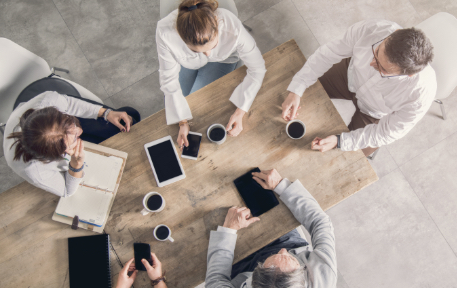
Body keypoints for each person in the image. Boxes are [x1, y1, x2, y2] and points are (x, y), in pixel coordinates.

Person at [281, 20, 436, 157]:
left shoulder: (420, 93)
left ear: (410, 74)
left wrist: (341, 141)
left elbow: (388, 132)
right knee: (289, 88)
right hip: (348, 75)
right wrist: (297, 88)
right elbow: (328, 54)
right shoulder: (372, 29)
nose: (371, 64)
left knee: (344, 160)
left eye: (384, 70)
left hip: (373, 113)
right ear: (393, 34)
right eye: (376, 53)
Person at [156, 0, 266, 150]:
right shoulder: (165, 33)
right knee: (185, 106)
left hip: (223, 60)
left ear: (217, 24)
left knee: (198, 108)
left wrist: (241, 110)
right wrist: (182, 122)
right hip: (187, 63)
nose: (208, 55)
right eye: (196, 50)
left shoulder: (230, 25)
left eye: (213, 46)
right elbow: (168, 79)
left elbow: (257, 68)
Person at [206, 169, 337, 288]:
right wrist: (282, 186)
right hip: (288, 241)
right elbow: (320, 223)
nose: (283, 251)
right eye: (290, 258)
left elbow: (215, 280)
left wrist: (228, 230)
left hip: (243, 266)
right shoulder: (324, 277)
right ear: (303, 275)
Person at [3, 91, 140, 197]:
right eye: (74, 138)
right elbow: (67, 190)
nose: (80, 130)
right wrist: (76, 165)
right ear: (58, 155)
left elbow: (68, 104)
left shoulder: (48, 101)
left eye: (71, 123)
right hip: (64, 155)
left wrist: (106, 113)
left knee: (130, 118)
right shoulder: (35, 171)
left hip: (61, 131)